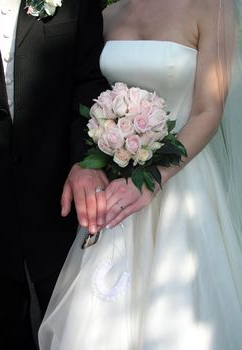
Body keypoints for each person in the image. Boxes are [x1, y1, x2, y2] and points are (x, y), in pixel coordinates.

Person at [39, 0, 242, 349]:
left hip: (182, 182)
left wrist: (154, 179)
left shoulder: (211, 8)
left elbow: (209, 110)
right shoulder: (109, 14)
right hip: (117, 185)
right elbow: (89, 92)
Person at [0, 0, 110, 349]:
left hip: (59, 186)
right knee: (2, 307)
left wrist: (85, 160)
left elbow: (90, 79)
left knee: (71, 308)